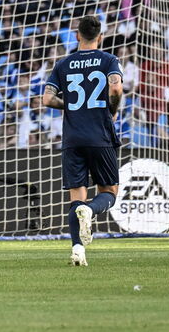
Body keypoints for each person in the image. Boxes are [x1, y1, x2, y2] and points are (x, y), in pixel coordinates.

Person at [42, 15, 123, 267]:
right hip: (100, 134)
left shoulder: (63, 64)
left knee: (76, 196)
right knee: (109, 192)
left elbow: (46, 99)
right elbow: (116, 88)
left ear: (77, 36)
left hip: (73, 138)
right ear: (100, 37)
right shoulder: (109, 60)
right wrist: (112, 110)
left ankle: (78, 248)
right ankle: (91, 210)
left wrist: (72, 106)